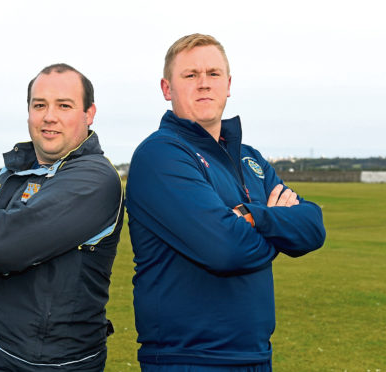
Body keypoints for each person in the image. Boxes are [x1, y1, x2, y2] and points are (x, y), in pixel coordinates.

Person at [126, 34, 326, 371]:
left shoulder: (250, 160)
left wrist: (255, 218)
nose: (204, 84)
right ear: (166, 88)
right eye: (190, 75)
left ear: (229, 84)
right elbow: (224, 250)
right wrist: (277, 226)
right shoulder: (160, 155)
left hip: (255, 356)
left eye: (213, 74)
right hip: (189, 359)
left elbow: (313, 226)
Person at [0, 63, 124, 372]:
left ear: (88, 114)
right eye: (40, 105)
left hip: (54, 363)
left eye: (64, 105)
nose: (49, 116)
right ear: (29, 113)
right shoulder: (12, 172)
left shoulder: (95, 177)